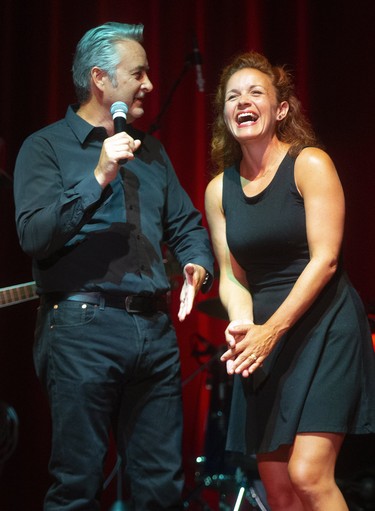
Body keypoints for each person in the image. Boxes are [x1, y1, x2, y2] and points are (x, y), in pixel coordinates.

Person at [13, 22, 213, 511]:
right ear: (100, 80)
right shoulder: (45, 148)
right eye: (138, 74)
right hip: (82, 327)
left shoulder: (153, 153)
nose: (149, 84)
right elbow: (34, 236)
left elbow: (187, 226)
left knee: (160, 486)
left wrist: (195, 266)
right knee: (77, 483)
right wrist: (99, 174)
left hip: (154, 329)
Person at [204, 51, 375, 511]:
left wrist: (269, 332)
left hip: (324, 326)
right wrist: (244, 325)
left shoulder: (309, 164)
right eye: (232, 96)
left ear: (280, 109)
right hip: (263, 335)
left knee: (308, 475)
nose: (243, 101)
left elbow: (326, 260)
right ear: (224, 113)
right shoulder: (219, 190)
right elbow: (230, 276)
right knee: (278, 491)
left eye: (255, 92)